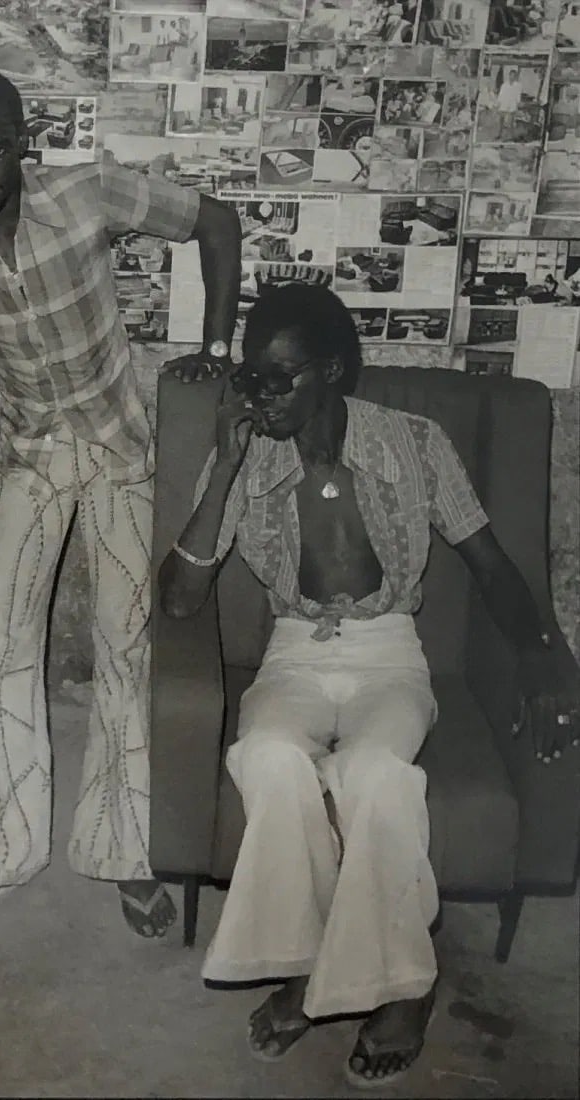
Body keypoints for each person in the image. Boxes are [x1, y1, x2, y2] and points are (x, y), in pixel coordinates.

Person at [158, 284, 580, 1087]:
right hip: (295, 652)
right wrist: (226, 467)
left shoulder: (414, 443)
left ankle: (403, 986)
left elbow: (492, 565)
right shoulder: (244, 450)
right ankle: (304, 965)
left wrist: (542, 654)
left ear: (331, 371)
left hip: (390, 653)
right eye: (250, 377)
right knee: (268, 756)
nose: (260, 396)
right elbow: (179, 601)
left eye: (278, 379)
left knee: (378, 774)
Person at [0, 65, 242, 938]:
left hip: (118, 442)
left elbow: (217, 222)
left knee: (127, 644)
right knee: (3, 638)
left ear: (24, 142)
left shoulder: (85, 193)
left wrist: (216, 348)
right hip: (33, 449)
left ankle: (125, 855)